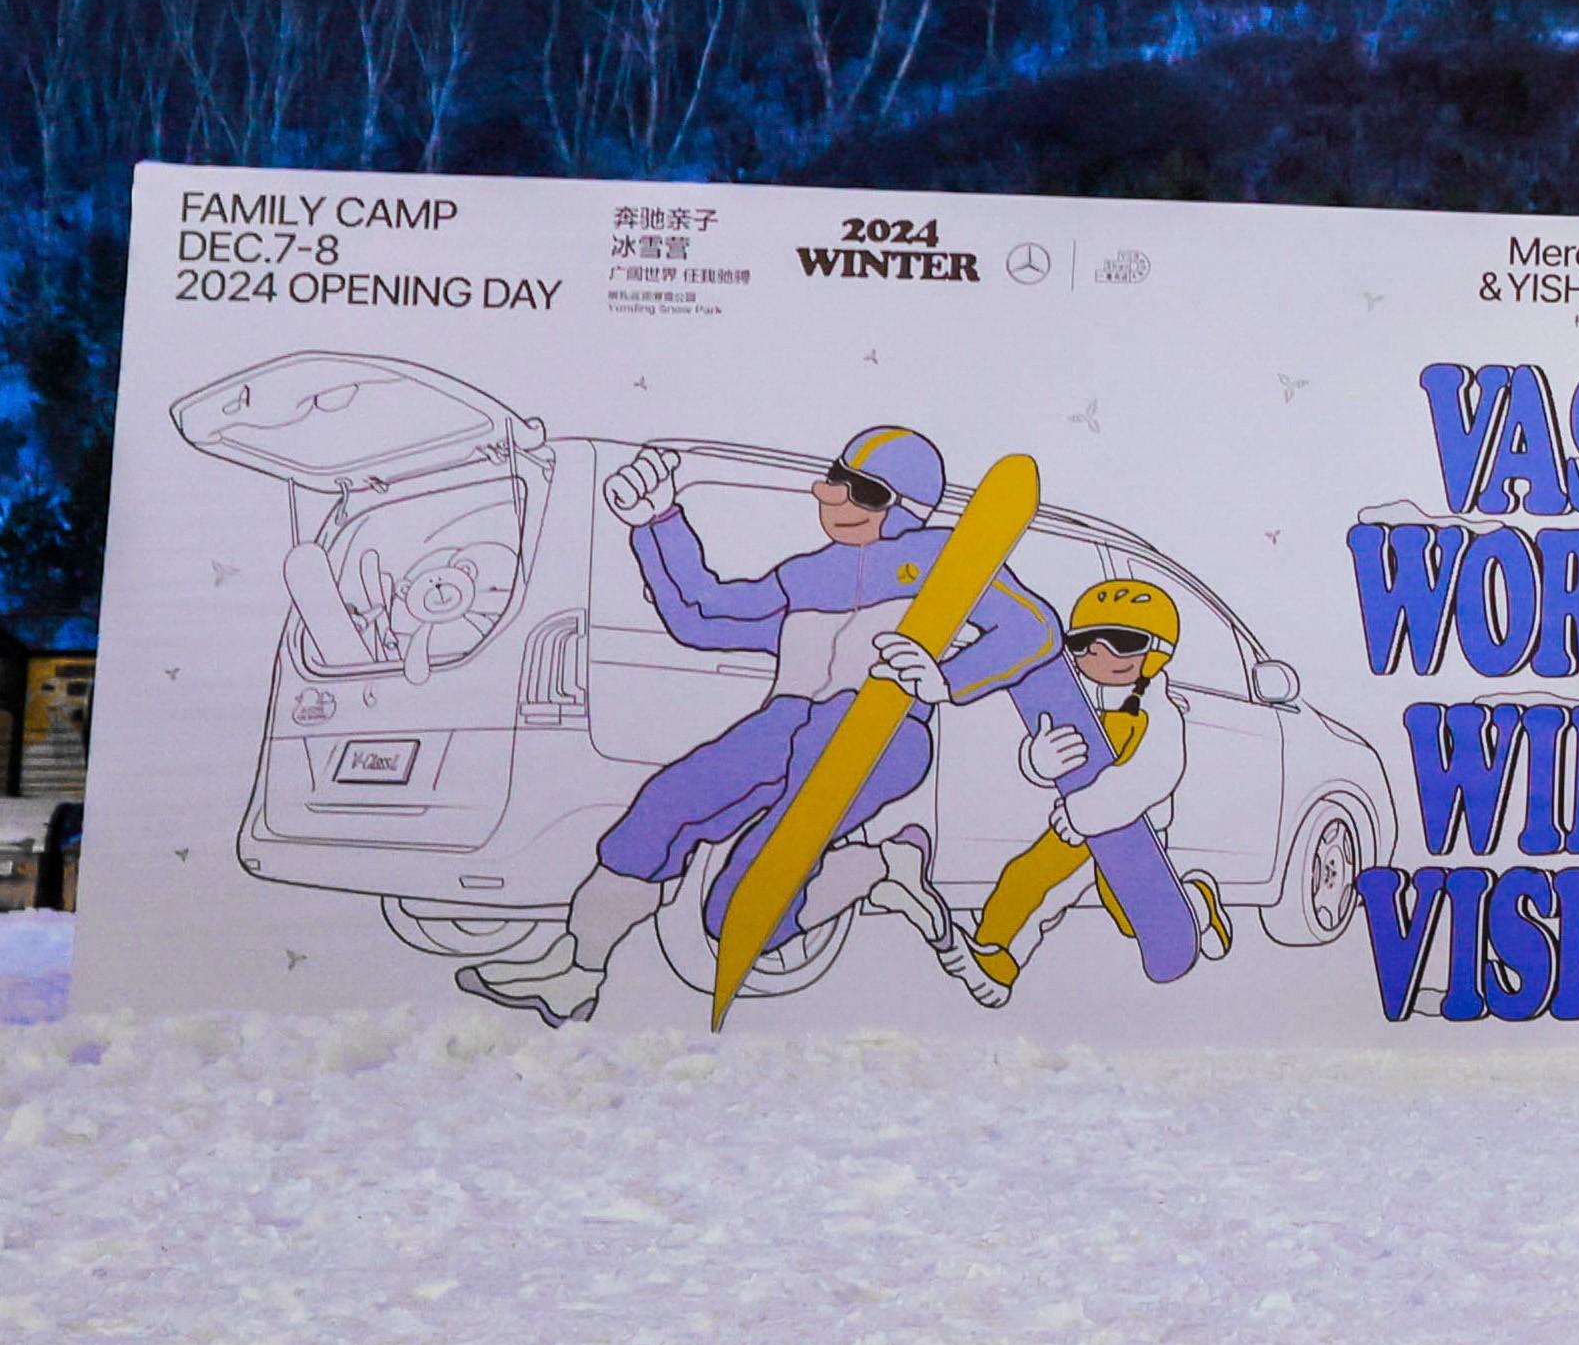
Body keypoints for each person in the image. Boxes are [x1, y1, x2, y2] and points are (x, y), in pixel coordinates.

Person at [459, 425, 1044, 1024]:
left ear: (901, 510)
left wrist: (948, 679)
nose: (834, 498)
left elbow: (1033, 630)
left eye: (862, 491)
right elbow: (701, 616)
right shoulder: (807, 575)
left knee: (740, 903)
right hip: (783, 721)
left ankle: (878, 866)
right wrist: (657, 522)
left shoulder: (942, 560)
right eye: (836, 481)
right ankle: (577, 970)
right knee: (662, 811)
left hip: (878, 732)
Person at [967, 575, 1228, 994]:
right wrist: (1039, 760)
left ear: (1156, 654)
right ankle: (995, 954)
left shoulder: (1158, 714)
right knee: (1029, 877)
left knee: (1131, 913)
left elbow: (1151, 775)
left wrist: (1087, 812)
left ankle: (1197, 902)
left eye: (1122, 642)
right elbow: (1045, 747)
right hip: (1077, 821)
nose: (1099, 654)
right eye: (1084, 643)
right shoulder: (1074, 701)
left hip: (1129, 829)